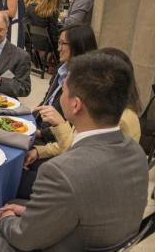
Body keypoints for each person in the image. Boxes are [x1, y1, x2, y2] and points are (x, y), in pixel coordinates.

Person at [0, 51, 149, 252]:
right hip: (92, 237)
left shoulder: (62, 171)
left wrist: (7, 219)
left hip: (54, 244)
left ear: (76, 104)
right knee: (12, 202)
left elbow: (23, 238)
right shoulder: (136, 152)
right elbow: (87, 202)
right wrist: (31, 212)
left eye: (65, 88)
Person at [22, 48, 142, 193]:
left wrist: (60, 124)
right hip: (72, 167)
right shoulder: (99, 106)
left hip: (83, 183)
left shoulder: (120, 119)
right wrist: (39, 151)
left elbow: (81, 158)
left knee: (20, 179)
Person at [17, 24, 98, 199]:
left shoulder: (85, 85)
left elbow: (69, 136)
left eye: (63, 44)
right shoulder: (62, 70)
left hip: (53, 141)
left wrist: (38, 135)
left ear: (78, 46)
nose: (58, 48)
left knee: (14, 168)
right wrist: (29, 118)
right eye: (58, 42)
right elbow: (46, 101)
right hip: (44, 131)